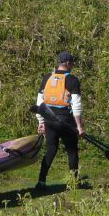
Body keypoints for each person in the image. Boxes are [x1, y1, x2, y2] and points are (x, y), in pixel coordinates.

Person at [34, 50, 85, 190]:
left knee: (51, 149)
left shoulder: (47, 78)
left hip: (49, 120)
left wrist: (41, 122)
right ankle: (74, 183)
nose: (73, 65)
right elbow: (76, 106)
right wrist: (79, 126)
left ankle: (41, 181)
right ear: (68, 63)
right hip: (66, 122)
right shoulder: (72, 80)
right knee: (72, 151)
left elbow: (39, 103)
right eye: (72, 63)